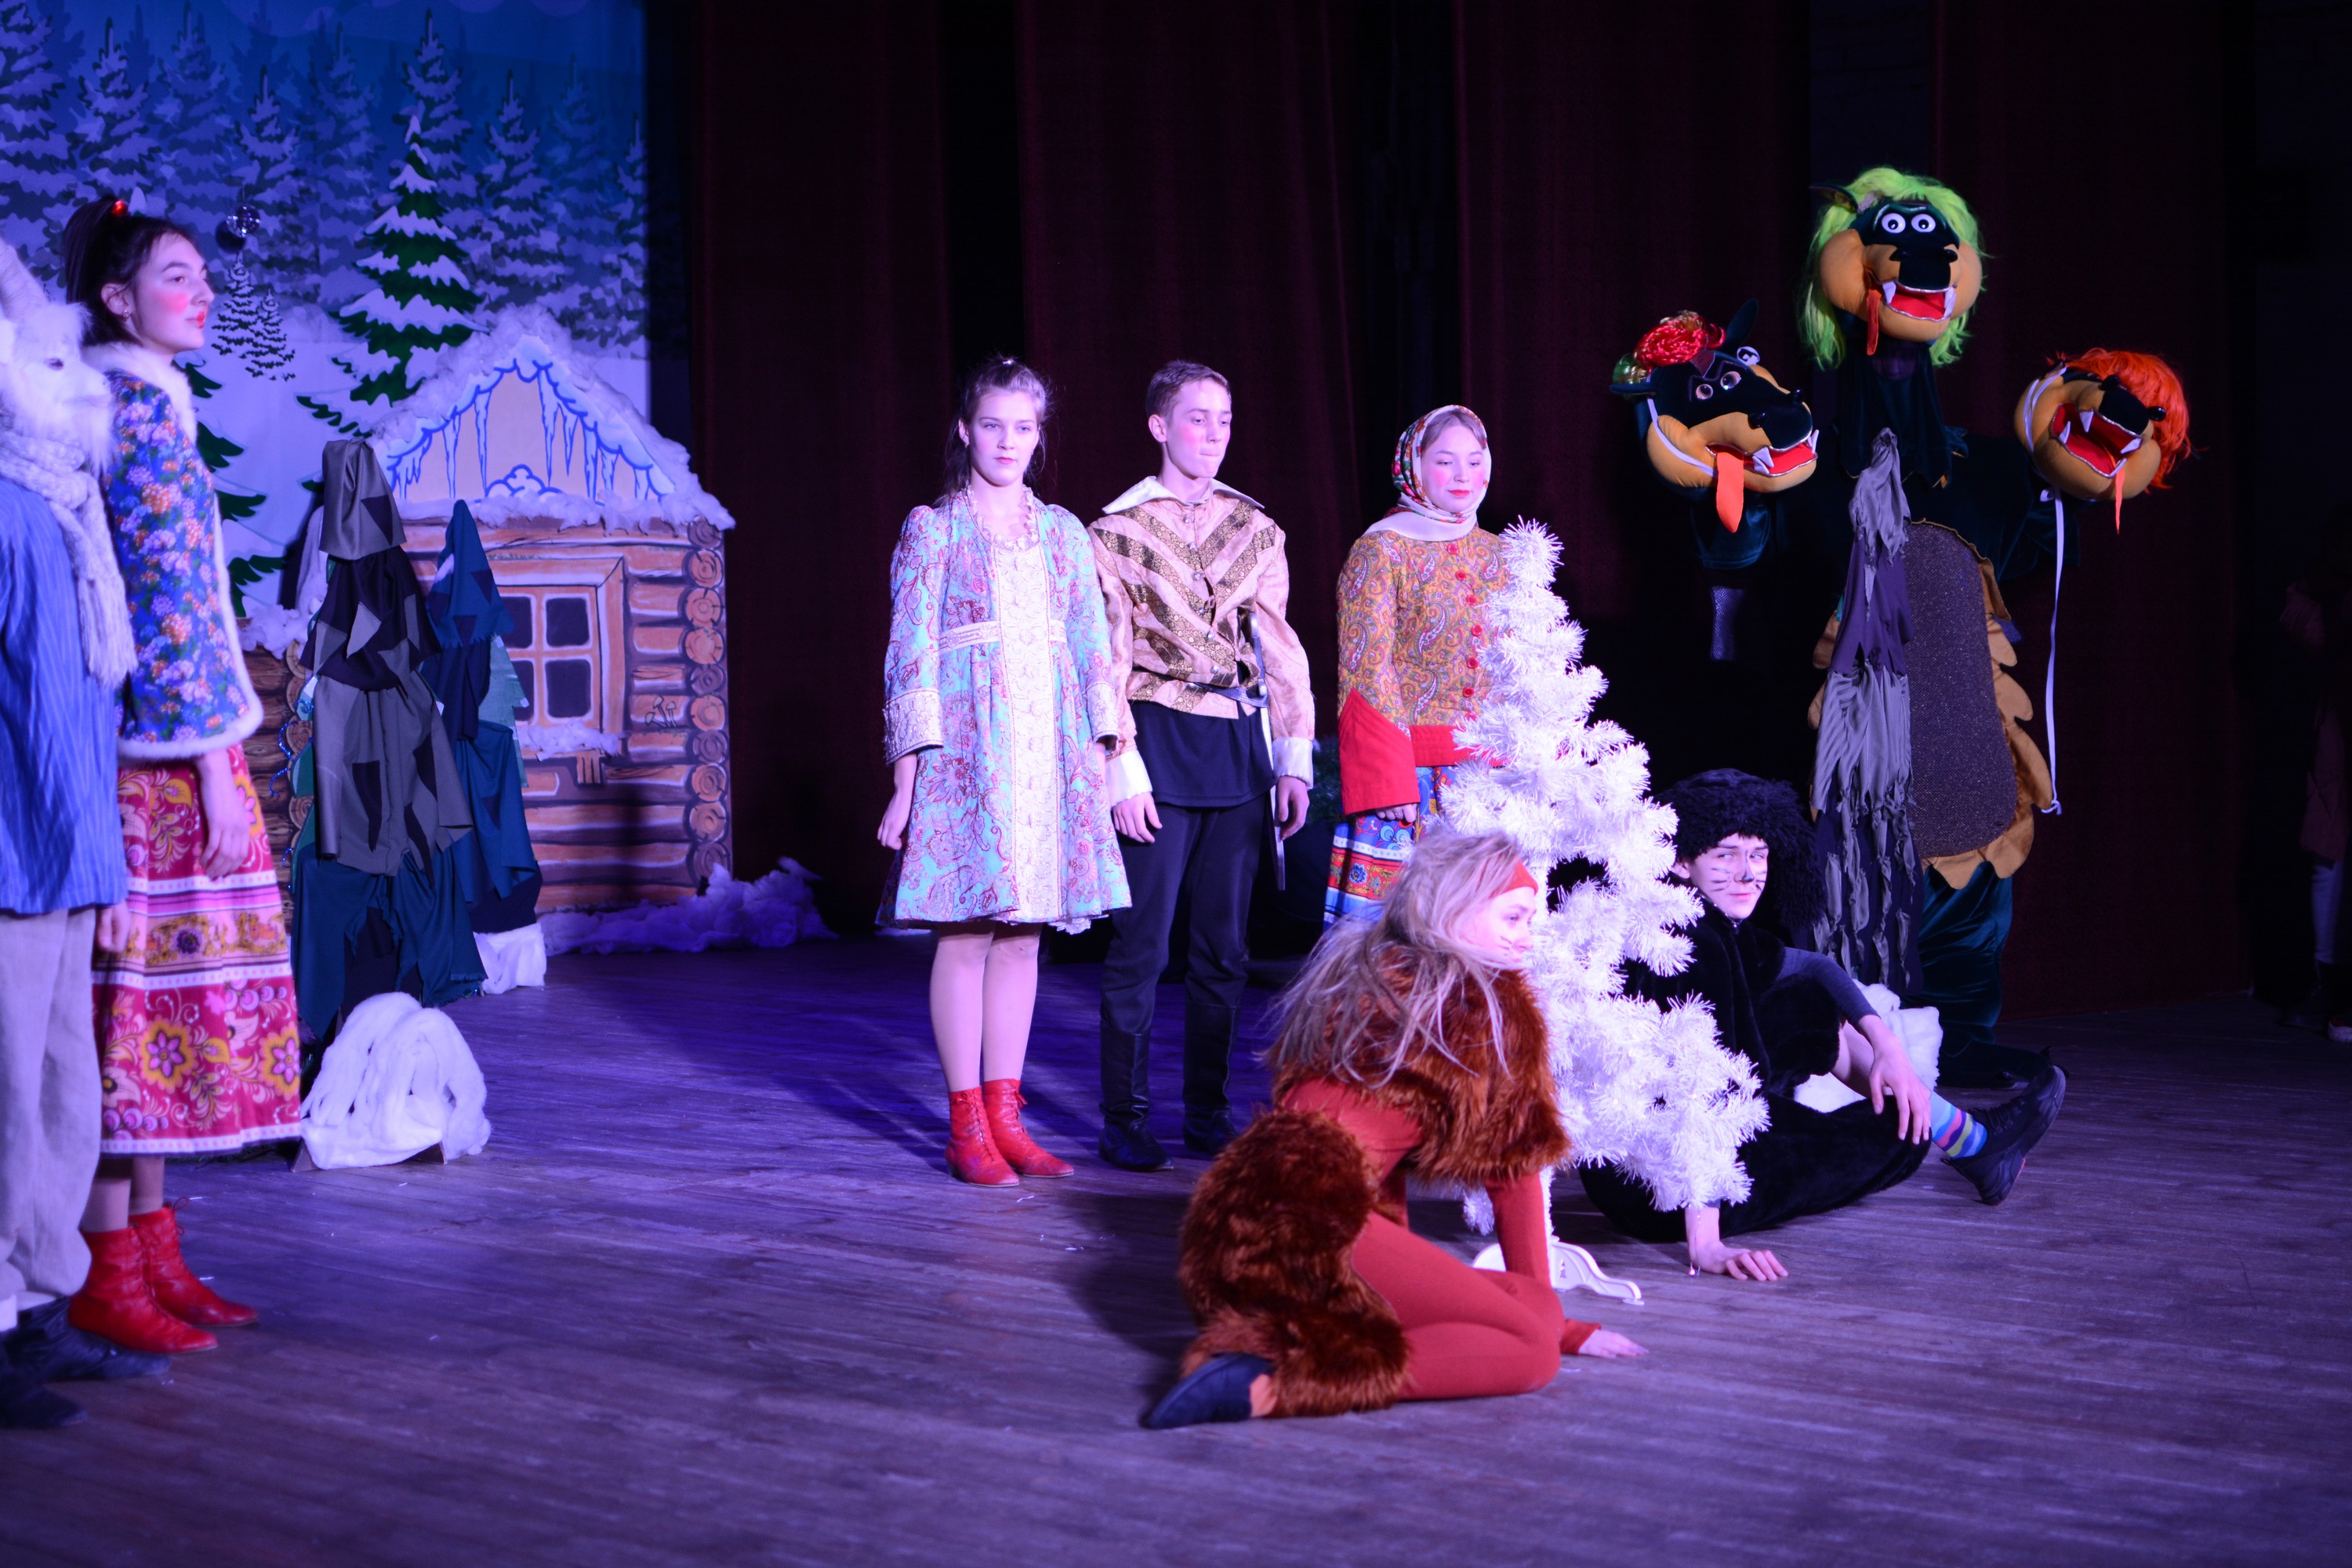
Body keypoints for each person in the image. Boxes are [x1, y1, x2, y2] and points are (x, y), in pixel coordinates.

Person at [1145, 829, 1644, 1428]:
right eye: (1513, 917)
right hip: (1309, 1227)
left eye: (1531, 920)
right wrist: (1553, 1331)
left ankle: (1271, 1349)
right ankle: (1270, 1388)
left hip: (1222, 1223)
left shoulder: (1371, 979)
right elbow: (1512, 1176)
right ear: (1452, 912)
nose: (1527, 936)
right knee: (1533, 1352)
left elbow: (1368, 1163)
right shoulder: (1484, 1009)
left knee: (1527, 1306)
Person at [62, 195, 302, 1355]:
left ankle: (153, 1249)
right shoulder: (137, 414)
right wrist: (214, 762)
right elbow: (166, 614)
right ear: (118, 300)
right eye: (175, 276)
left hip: (176, 743)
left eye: (202, 275)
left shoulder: (149, 400)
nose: (200, 291)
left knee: (161, 1013)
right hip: (162, 759)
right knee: (138, 1015)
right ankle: (108, 1268)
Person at [1579, 771, 2067, 1279]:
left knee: (1809, 1004)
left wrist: (1886, 1043)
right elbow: (1699, 1094)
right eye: (1725, 855)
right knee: (1901, 1135)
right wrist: (1706, 1245)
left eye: (1758, 855)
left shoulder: (1704, 923)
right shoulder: (1694, 943)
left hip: (1649, 1162)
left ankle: (1976, 1144)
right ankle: (1973, 1143)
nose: (1747, 874)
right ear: (1682, 862)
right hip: (1667, 1186)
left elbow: (1816, 968)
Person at [878, 357, 1131, 1186]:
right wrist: (908, 777)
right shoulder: (935, 528)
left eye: (1024, 427)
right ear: (966, 430)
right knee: (967, 932)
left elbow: (1092, 647)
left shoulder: (1063, 533)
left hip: (1047, 756)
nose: (1009, 441)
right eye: (994, 425)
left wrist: (1100, 753)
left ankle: (1006, 1117)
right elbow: (909, 653)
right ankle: (966, 1125)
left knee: (1025, 938)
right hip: (968, 758)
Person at [0, 245, 171, 1429]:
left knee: (63, 1090)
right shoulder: (11, 513)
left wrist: (101, 858)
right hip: (13, 853)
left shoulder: (63, 511)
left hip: (63, 850)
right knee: (8, 1097)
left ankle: (43, 1302)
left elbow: (80, 705)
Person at [1090, 361, 1314, 1171]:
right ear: (1160, 426)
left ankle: (1206, 1112)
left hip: (1235, 746)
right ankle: (1125, 1117)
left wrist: (1292, 760)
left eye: (1224, 419)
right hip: (1154, 738)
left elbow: (1280, 649)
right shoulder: (1115, 532)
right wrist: (1120, 768)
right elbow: (1105, 658)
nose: (1213, 434)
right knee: (1142, 946)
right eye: (1196, 418)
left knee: (1224, 950)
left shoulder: (1255, 528)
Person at [1326, 405, 1504, 920]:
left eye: (1474, 461)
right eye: (1446, 462)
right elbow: (1366, 668)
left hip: (1492, 780)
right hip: (1412, 780)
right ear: (1415, 467)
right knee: (1397, 939)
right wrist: (1388, 778)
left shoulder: (1501, 554)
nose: (1463, 475)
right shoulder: (1382, 550)